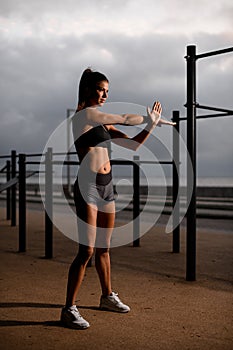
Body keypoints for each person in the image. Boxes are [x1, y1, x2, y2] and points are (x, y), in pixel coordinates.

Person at [61, 68, 175, 329]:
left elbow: (133, 145)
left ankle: (106, 296)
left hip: (107, 186)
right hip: (88, 186)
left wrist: (151, 124)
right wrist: (149, 117)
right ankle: (68, 308)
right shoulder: (85, 116)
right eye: (101, 89)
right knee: (86, 251)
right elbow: (125, 117)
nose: (104, 95)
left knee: (104, 248)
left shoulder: (102, 123)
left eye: (107, 91)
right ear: (89, 90)